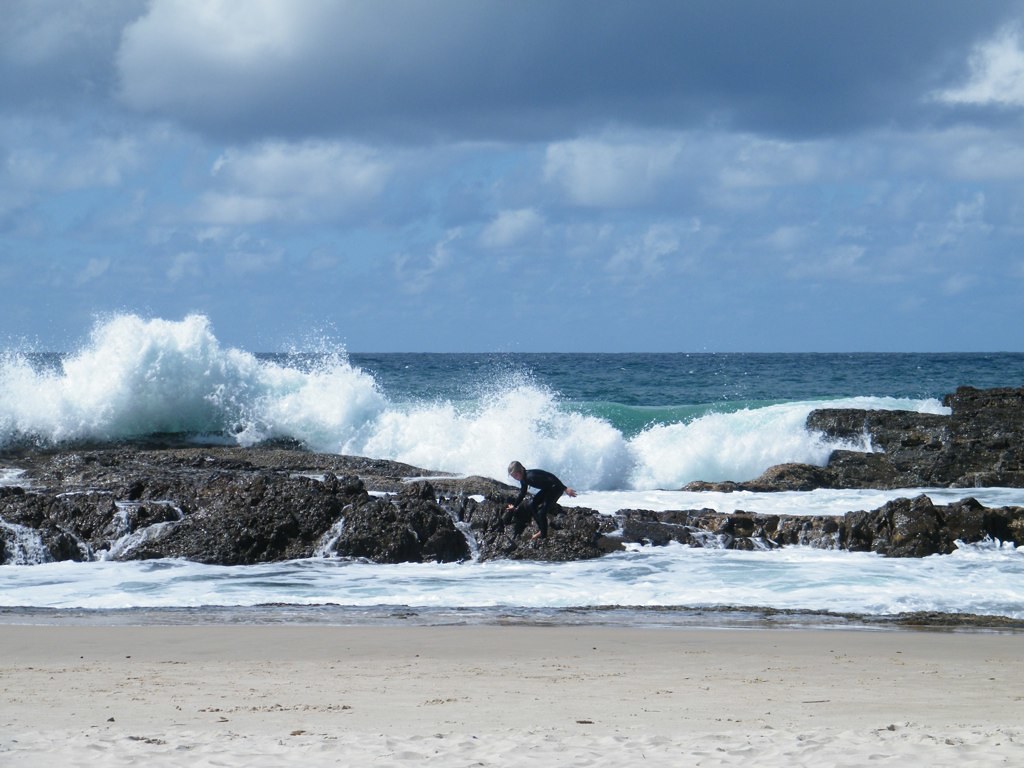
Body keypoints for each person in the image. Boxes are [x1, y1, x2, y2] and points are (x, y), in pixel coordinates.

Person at [506, 460, 577, 540]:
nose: (515, 478)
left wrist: (565, 488)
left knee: (541, 513)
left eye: (515, 476)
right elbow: (522, 493)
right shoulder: (524, 479)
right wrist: (514, 506)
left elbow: (550, 477)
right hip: (548, 489)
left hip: (555, 488)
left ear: (520, 471)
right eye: (513, 477)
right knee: (532, 505)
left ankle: (543, 536)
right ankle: (541, 529)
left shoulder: (531, 476)